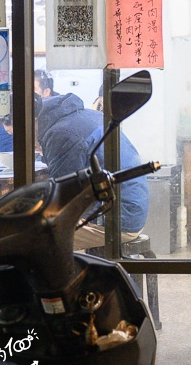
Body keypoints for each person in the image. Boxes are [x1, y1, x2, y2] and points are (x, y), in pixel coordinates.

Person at [36, 92, 149, 250]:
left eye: (15, 134)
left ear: (31, 122)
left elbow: (67, 196)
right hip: (131, 208)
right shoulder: (83, 116)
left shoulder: (61, 134)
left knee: (29, 239)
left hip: (118, 219)